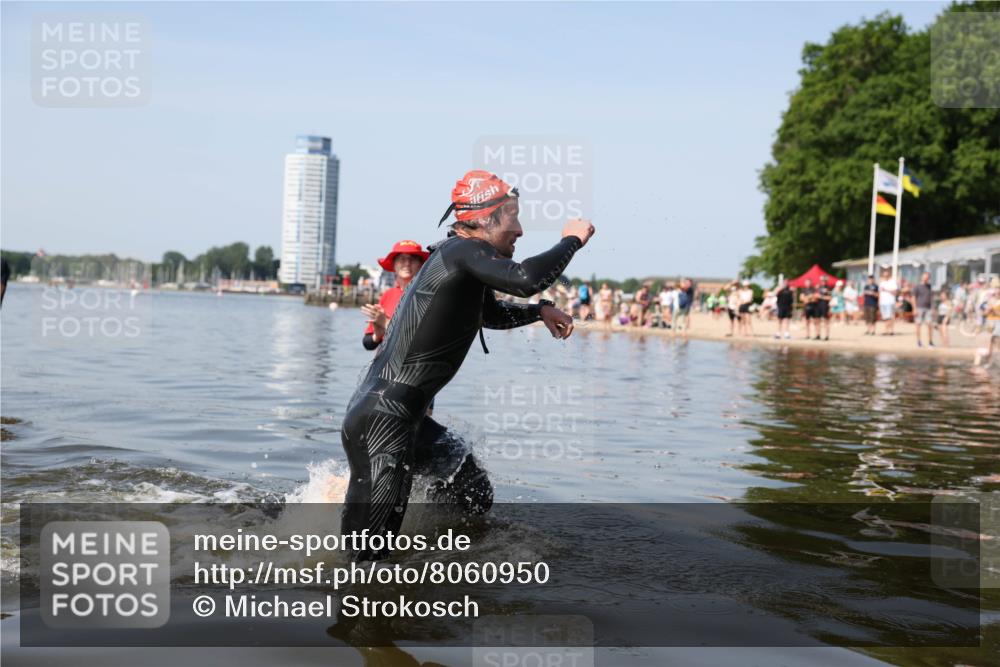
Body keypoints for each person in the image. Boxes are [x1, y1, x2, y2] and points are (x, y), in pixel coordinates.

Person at [340, 170, 594, 560]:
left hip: (406, 419)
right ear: (485, 219)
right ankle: (361, 608)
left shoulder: (463, 260)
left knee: (473, 491)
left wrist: (539, 311)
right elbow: (526, 278)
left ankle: (440, 557)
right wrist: (571, 240)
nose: (521, 230)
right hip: (385, 419)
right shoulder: (463, 251)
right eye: (513, 217)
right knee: (366, 561)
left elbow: (488, 314)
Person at [913, 271, 935, 348]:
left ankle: (930, 342)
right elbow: (913, 298)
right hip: (919, 308)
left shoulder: (929, 286)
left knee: (929, 325)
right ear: (922, 277)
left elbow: (931, 298)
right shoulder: (917, 286)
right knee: (918, 325)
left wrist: (933, 308)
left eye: (927, 277)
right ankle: (919, 342)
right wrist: (914, 308)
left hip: (928, 308)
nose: (926, 279)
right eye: (925, 277)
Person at [878, 268, 898, 335]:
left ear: (889, 275)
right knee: (885, 317)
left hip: (890, 301)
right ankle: (886, 330)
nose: (885, 277)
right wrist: (879, 302)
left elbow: (895, 292)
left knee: (890, 316)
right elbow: (880, 293)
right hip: (882, 302)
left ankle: (891, 330)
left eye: (886, 275)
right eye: (884, 275)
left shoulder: (892, 282)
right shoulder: (882, 283)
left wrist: (886, 290)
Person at [815, 276, 832, 341]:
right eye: (822, 280)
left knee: (826, 321)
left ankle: (826, 336)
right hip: (818, 306)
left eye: (824, 280)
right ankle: (818, 335)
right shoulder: (818, 287)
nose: (823, 282)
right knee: (817, 320)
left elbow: (830, 298)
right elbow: (815, 296)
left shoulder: (828, 288)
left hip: (825, 306)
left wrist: (821, 296)